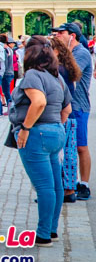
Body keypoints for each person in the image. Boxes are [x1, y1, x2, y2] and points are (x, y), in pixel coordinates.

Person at [9, 36, 70, 246]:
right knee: (55, 184)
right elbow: (67, 109)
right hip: (56, 131)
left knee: (44, 186)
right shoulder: (57, 78)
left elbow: (39, 101)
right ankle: (52, 230)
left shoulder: (33, 75)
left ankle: (43, 234)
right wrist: (54, 126)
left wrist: (26, 128)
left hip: (37, 134)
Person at [52, 22, 92, 201]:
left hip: (78, 105)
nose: (57, 36)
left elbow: (69, 73)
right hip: (67, 106)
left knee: (81, 146)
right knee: (69, 146)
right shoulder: (68, 52)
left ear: (72, 35)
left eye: (61, 33)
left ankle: (84, 184)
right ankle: (69, 183)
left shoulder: (80, 53)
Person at [50, 36, 82, 202]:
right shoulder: (66, 66)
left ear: (56, 51)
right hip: (70, 114)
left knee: (59, 154)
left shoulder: (58, 69)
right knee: (69, 152)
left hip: (63, 115)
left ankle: (64, 190)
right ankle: (69, 188)